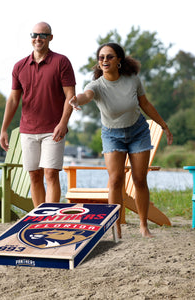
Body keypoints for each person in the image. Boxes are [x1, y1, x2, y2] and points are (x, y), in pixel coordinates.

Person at [69, 43, 173, 238]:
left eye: (109, 57)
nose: (105, 60)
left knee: (139, 179)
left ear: (118, 60)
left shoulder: (132, 80)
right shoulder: (96, 85)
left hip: (138, 132)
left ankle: (143, 226)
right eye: (101, 58)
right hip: (112, 135)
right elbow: (86, 96)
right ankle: (115, 227)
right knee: (115, 179)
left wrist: (163, 125)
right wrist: (76, 100)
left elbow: (145, 104)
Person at [0, 22, 76, 208]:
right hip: (28, 130)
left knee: (50, 173)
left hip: (53, 129)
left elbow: (70, 96)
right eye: (34, 34)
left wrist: (63, 123)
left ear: (50, 37)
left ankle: (50, 218)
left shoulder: (61, 62)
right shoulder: (20, 66)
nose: (38, 38)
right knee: (34, 175)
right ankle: (39, 219)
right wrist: (3, 130)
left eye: (43, 35)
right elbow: (13, 100)